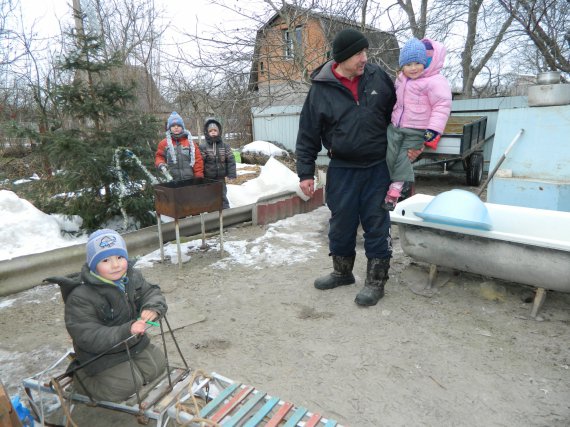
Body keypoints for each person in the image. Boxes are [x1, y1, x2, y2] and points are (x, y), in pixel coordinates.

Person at [296, 28, 420, 307]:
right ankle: (342, 273)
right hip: (342, 168)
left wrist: (412, 142)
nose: (364, 58)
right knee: (341, 223)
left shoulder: (378, 78)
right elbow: (307, 134)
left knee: (377, 223)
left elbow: (401, 114)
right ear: (341, 59)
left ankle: (376, 282)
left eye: (365, 52)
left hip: (378, 166)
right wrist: (305, 172)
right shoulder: (320, 89)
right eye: (358, 54)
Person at [52, 229, 168, 402]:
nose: (116, 265)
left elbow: (151, 292)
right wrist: (127, 331)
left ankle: (130, 368)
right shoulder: (81, 296)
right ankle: (80, 377)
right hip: (100, 353)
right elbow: (88, 335)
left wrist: (152, 307)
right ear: (93, 265)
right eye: (106, 260)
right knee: (127, 385)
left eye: (120, 257)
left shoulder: (131, 277)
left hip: (133, 343)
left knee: (157, 367)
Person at [382, 38, 452, 210]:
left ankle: (394, 192)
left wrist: (433, 131)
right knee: (388, 155)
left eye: (417, 63)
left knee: (403, 158)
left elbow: (441, 106)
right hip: (396, 126)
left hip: (417, 129)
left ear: (425, 62)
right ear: (402, 66)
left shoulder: (435, 81)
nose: (413, 68)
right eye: (408, 64)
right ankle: (385, 184)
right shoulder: (401, 80)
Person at [199, 118, 237, 209]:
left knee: (222, 195)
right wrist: (200, 176)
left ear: (219, 132)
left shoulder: (225, 146)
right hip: (208, 178)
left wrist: (231, 174)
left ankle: (225, 213)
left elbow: (231, 159)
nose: (213, 132)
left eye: (215, 130)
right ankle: (212, 215)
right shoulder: (203, 147)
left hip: (221, 178)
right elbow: (200, 162)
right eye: (210, 131)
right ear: (207, 132)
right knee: (210, 197)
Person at [155, 111, 204, 181]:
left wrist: (199, 176)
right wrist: (160, 164)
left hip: (189, 180)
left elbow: (198, 160)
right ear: (169, 127)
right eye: (173, 126)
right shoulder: (163, 143)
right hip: (172, 181)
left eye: (178, 125)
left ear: (182, 127)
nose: (176, 127)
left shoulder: (190, 142)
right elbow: (159, 156)